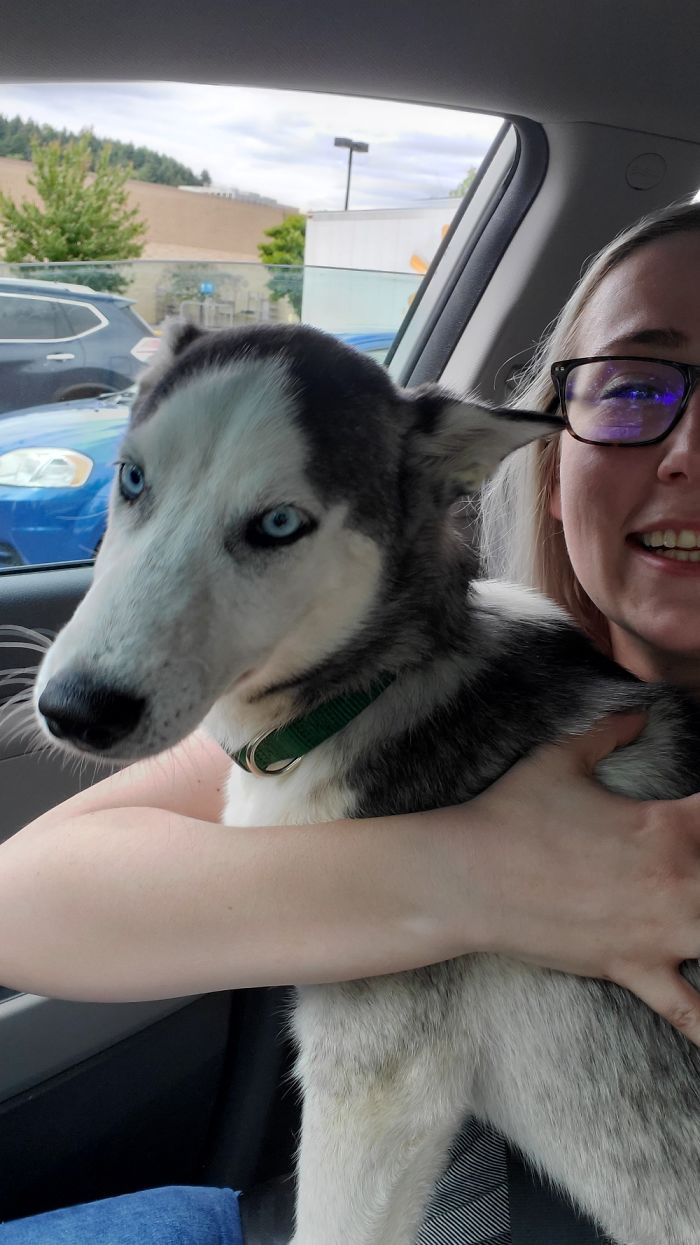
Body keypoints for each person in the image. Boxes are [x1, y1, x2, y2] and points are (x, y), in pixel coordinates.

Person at [3, 196, 700, 1243]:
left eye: (277, 525)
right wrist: (475, 874)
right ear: (549, 470)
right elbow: (20, 906)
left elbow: (374, 1089)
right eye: (638, 387)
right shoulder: (394, 677)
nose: (693, 453)